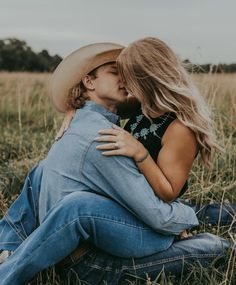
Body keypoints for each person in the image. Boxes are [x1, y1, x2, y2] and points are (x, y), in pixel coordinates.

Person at [0, 41, 234, 284]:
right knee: (214, 245)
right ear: (89, 82)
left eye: (127, 75)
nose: (124, 80)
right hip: (94, 262)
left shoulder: (106, 118)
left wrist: (76, 107)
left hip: (120, 215)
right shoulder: (104, 138)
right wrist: (180, 224)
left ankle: (7, 247)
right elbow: (158, 217)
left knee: (187, 209)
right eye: (115, 73)